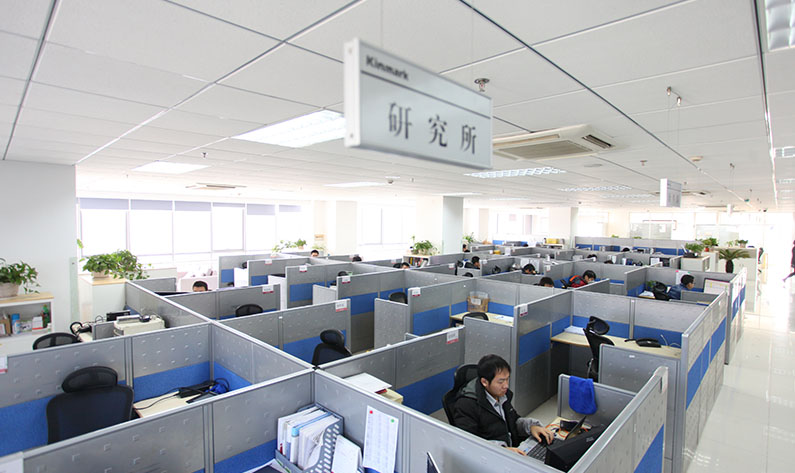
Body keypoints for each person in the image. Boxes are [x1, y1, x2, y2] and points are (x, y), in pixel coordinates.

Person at [452, 355, 554, 455]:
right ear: (484, 382)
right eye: (500, 382)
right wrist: (503, 450)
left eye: (507, 379)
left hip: (511, 451)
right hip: (491, 457)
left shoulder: (501, 395)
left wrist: (531, 427)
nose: (506, 386)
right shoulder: (466, 405)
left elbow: (513, 421)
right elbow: (469, 443)